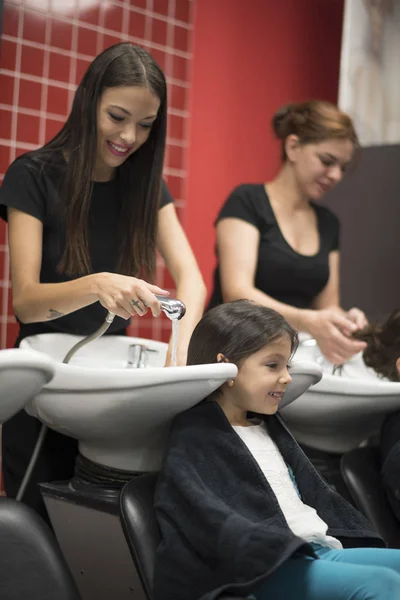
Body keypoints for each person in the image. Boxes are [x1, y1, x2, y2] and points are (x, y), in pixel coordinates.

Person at [0, 43, 206, 519]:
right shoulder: (33, 176)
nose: (130, 136)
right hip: (46, 389)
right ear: (89, 100)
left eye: (146, 124)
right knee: (39, 546)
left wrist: (181, 347)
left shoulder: (146, 186)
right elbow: (27, 304)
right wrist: (96, 284)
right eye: (117, 116)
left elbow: (191, 278)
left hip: (110, 395)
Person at [154, 300, 400, 600]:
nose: (287, 378)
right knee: (379, 584)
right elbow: (202, 514)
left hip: (312, 549)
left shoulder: (269, 426)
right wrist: (263, 545)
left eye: (287, 365)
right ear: (224, 365)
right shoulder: (196, 434)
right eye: (273, 365)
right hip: (265, 566)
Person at [207, 100, 368, 366]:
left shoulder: (328, 223)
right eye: (327, 161)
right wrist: (308, 321)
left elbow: (326, 306)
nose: (336, 175)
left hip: (288, 360)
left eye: (343, 167)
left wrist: (344, 319)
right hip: (230, 354)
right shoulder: (247, 201)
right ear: (293, 147)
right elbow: (237, 294)